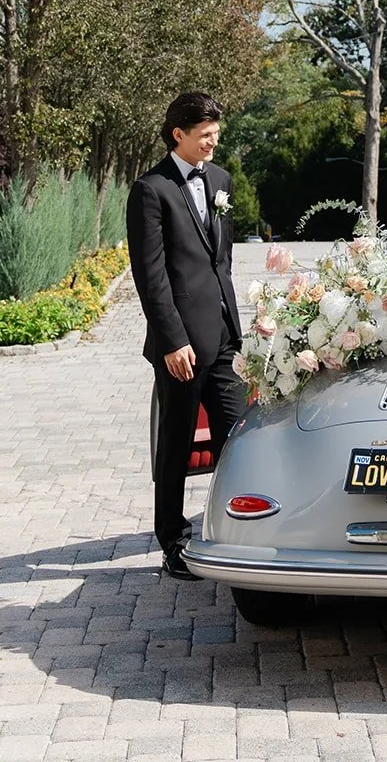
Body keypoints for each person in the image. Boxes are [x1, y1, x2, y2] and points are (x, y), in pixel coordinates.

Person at [127, 91, 247, 578]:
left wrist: (234, 322)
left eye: (216, 134)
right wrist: (173, 341)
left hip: (223, 337)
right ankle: (173, 541)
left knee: (238, 436)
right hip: (180, 344)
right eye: (205, 135)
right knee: (176, 445)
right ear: (178, 134)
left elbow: (223, 260)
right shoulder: (150, 190)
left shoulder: (220, 181)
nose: (213, 143)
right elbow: (150, 276)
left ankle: (236, 527)